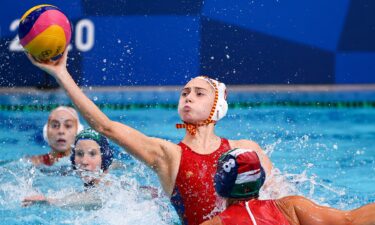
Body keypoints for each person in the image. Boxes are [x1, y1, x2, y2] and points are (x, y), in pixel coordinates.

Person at [26, 51, 273, 224]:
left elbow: (278, 200)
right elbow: (106, 127)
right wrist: (61, 74)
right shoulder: (168, 155)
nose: (188, 96)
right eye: (185, 92)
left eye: (199, 93)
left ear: (218, 107)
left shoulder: (246, 150)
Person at [200, 148, 375, 225]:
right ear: (260, 180)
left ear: (220, 184)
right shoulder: (291, 207)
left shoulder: (214, 223)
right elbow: (350, 220)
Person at [23, 128, 114, 208]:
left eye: (92, 154)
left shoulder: (109, 191)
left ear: (104, 158)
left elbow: (93, 199)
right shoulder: (90, 189)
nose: (84, 161)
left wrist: (49, 202)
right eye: (79, 154)